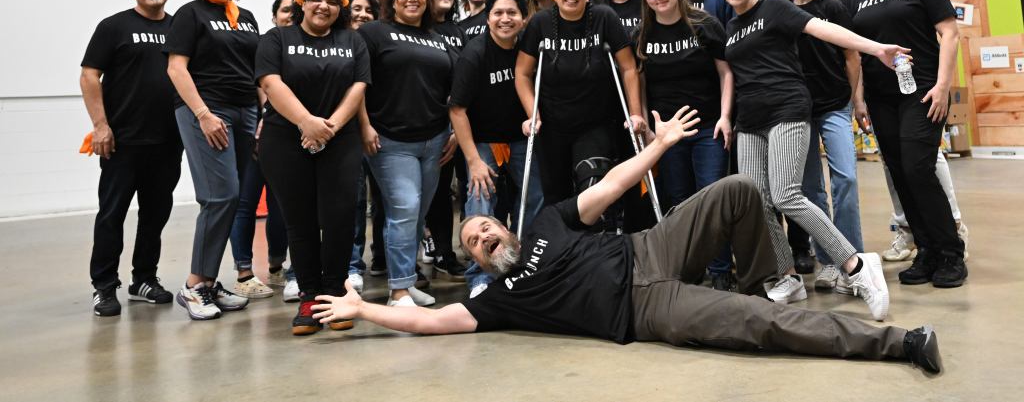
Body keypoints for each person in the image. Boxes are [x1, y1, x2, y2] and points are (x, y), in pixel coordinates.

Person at [311, 108, 943, 376]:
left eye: (484, 226)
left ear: (505, 223)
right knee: (758, 327)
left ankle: (769, 279)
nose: (480, 236)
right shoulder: (496, 298)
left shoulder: (553, 221)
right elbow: (430, 322)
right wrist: (364, 308)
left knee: (741, 188)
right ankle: (902, 345)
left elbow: (611, 185)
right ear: (477, 261)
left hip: (649, 250)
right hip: (641, 311)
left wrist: (661, 145)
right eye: (472, 242)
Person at [721, 0, 903, 320]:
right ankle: (787, 276)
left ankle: (855, 265)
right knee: (758, 201)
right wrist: (728, 118)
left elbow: (822, 29)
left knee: (787, 194)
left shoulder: (773, 8)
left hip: (787, 109)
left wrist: (875, 49)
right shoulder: (730, 27)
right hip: (750, 121)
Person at [830, 0, 969, 263]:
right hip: (881, 97)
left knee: (918, 168)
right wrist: (858, 98)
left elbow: (950, 34)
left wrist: (942, 86)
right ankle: (926, 251)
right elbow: (855, 51)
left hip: (922, 92)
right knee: (899, 171)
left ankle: (950, 251)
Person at [256, 0, 370, 335]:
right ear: (303, 3)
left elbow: (359, 86)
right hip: (285, 139)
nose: (324, 6)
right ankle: (309, 297)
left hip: (340, 138)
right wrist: (306, 122)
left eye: (333, 1)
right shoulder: (276, 39)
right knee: (299, 220)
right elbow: (271, 83)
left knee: (339, 219)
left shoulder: (352, 40)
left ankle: (334, 294)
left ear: (341, 9)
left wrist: (328, 128)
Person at [82, 0, 181, 317]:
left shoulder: (180, 27)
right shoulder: (115, 26)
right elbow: (89, 76)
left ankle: (144, 280)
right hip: (121, 141)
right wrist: (100, 126)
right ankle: (104, 287)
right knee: (112, 215)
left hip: (168, 141)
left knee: (155, 215)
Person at [165, 0, 259, 320]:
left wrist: (261, 114)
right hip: (208, 109)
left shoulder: (246, 17)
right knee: (219, 196)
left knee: (230, 198)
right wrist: (203, 113)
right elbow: (176, 69)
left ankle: (207, 282)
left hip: (245, 109)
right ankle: (193, 286)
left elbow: (257, 71)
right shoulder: (191, 13)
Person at [515, 0, 645, 227]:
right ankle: (565, 252)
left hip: (595, 124)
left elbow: (629, 68)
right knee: (557, 196)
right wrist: (533, 114)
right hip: (552, 126)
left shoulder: (604, 17)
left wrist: (635, 114)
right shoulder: (540, 23)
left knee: (593, 189)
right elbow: (522, 74)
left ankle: (595, 249)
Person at [359, 0, 456, 306]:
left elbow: (452, 90)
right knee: (405, 207)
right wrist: (364, 125)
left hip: (434, 140)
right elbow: (358, 83)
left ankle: (407, 279)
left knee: (417, 212)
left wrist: (454, 132)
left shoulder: (436, 37)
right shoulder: (374, 32)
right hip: (390, 140)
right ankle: (398, 289)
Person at [634, 0, 734, 289]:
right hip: (668, 134)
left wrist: (725, 116)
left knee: (711, 195)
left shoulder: (705, 25)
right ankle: (689, 267)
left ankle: (720, 270)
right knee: (678, 199)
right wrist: (650, 129)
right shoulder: (642, 35)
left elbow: (725, 73)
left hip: (708, 127)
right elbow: (640, 81)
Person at [781, 0, 865, 292]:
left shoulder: (832, 8)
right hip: (799, 109)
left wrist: (857, 100)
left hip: (834, 104)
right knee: (812, 188)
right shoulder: (780, 10)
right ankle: (830, 260)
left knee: (845, 177)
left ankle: (854, 258)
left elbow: (852, 55)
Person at [449, 0, 543, 290]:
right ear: (487, 19)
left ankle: (524, 264)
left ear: (523, 17)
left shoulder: (527, 47)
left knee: (534, 199)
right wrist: (474, 162)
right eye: (498, 13)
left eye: (512, 12)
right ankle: (479, 277)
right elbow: (457, 111)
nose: (505, 19)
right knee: (480, 203)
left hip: (520, 138)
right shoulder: (474, 54)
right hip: (484, 142)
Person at [227, 0, 294, 301]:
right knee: (246, 201)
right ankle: (243, 271)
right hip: (260, 130)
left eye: (296, 9)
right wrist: (263, 121)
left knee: (283, 205)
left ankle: (277, 265)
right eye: (285, 10)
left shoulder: (306, 44)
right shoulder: (267, 43)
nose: (291, 14)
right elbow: (263, 84)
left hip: (293, 136)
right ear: (274, 16)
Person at [423, 0, 468, 278]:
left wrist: (454, 128)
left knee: (442, 193)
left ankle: (444, 251)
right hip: (421, 121)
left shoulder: (458, 30)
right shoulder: (416, 29)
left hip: (451, 123)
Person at [345, 0, 385, 294]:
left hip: (383, 132)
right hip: (352, 133)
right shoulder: (341, 44)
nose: (361, 14)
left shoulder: (377, 42)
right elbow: (354, 91)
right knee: (355, 201)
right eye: (355, 8)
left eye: (368, 10)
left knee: (385, 201)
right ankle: (352, 265)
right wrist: (365, 125)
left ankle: (383, 259)